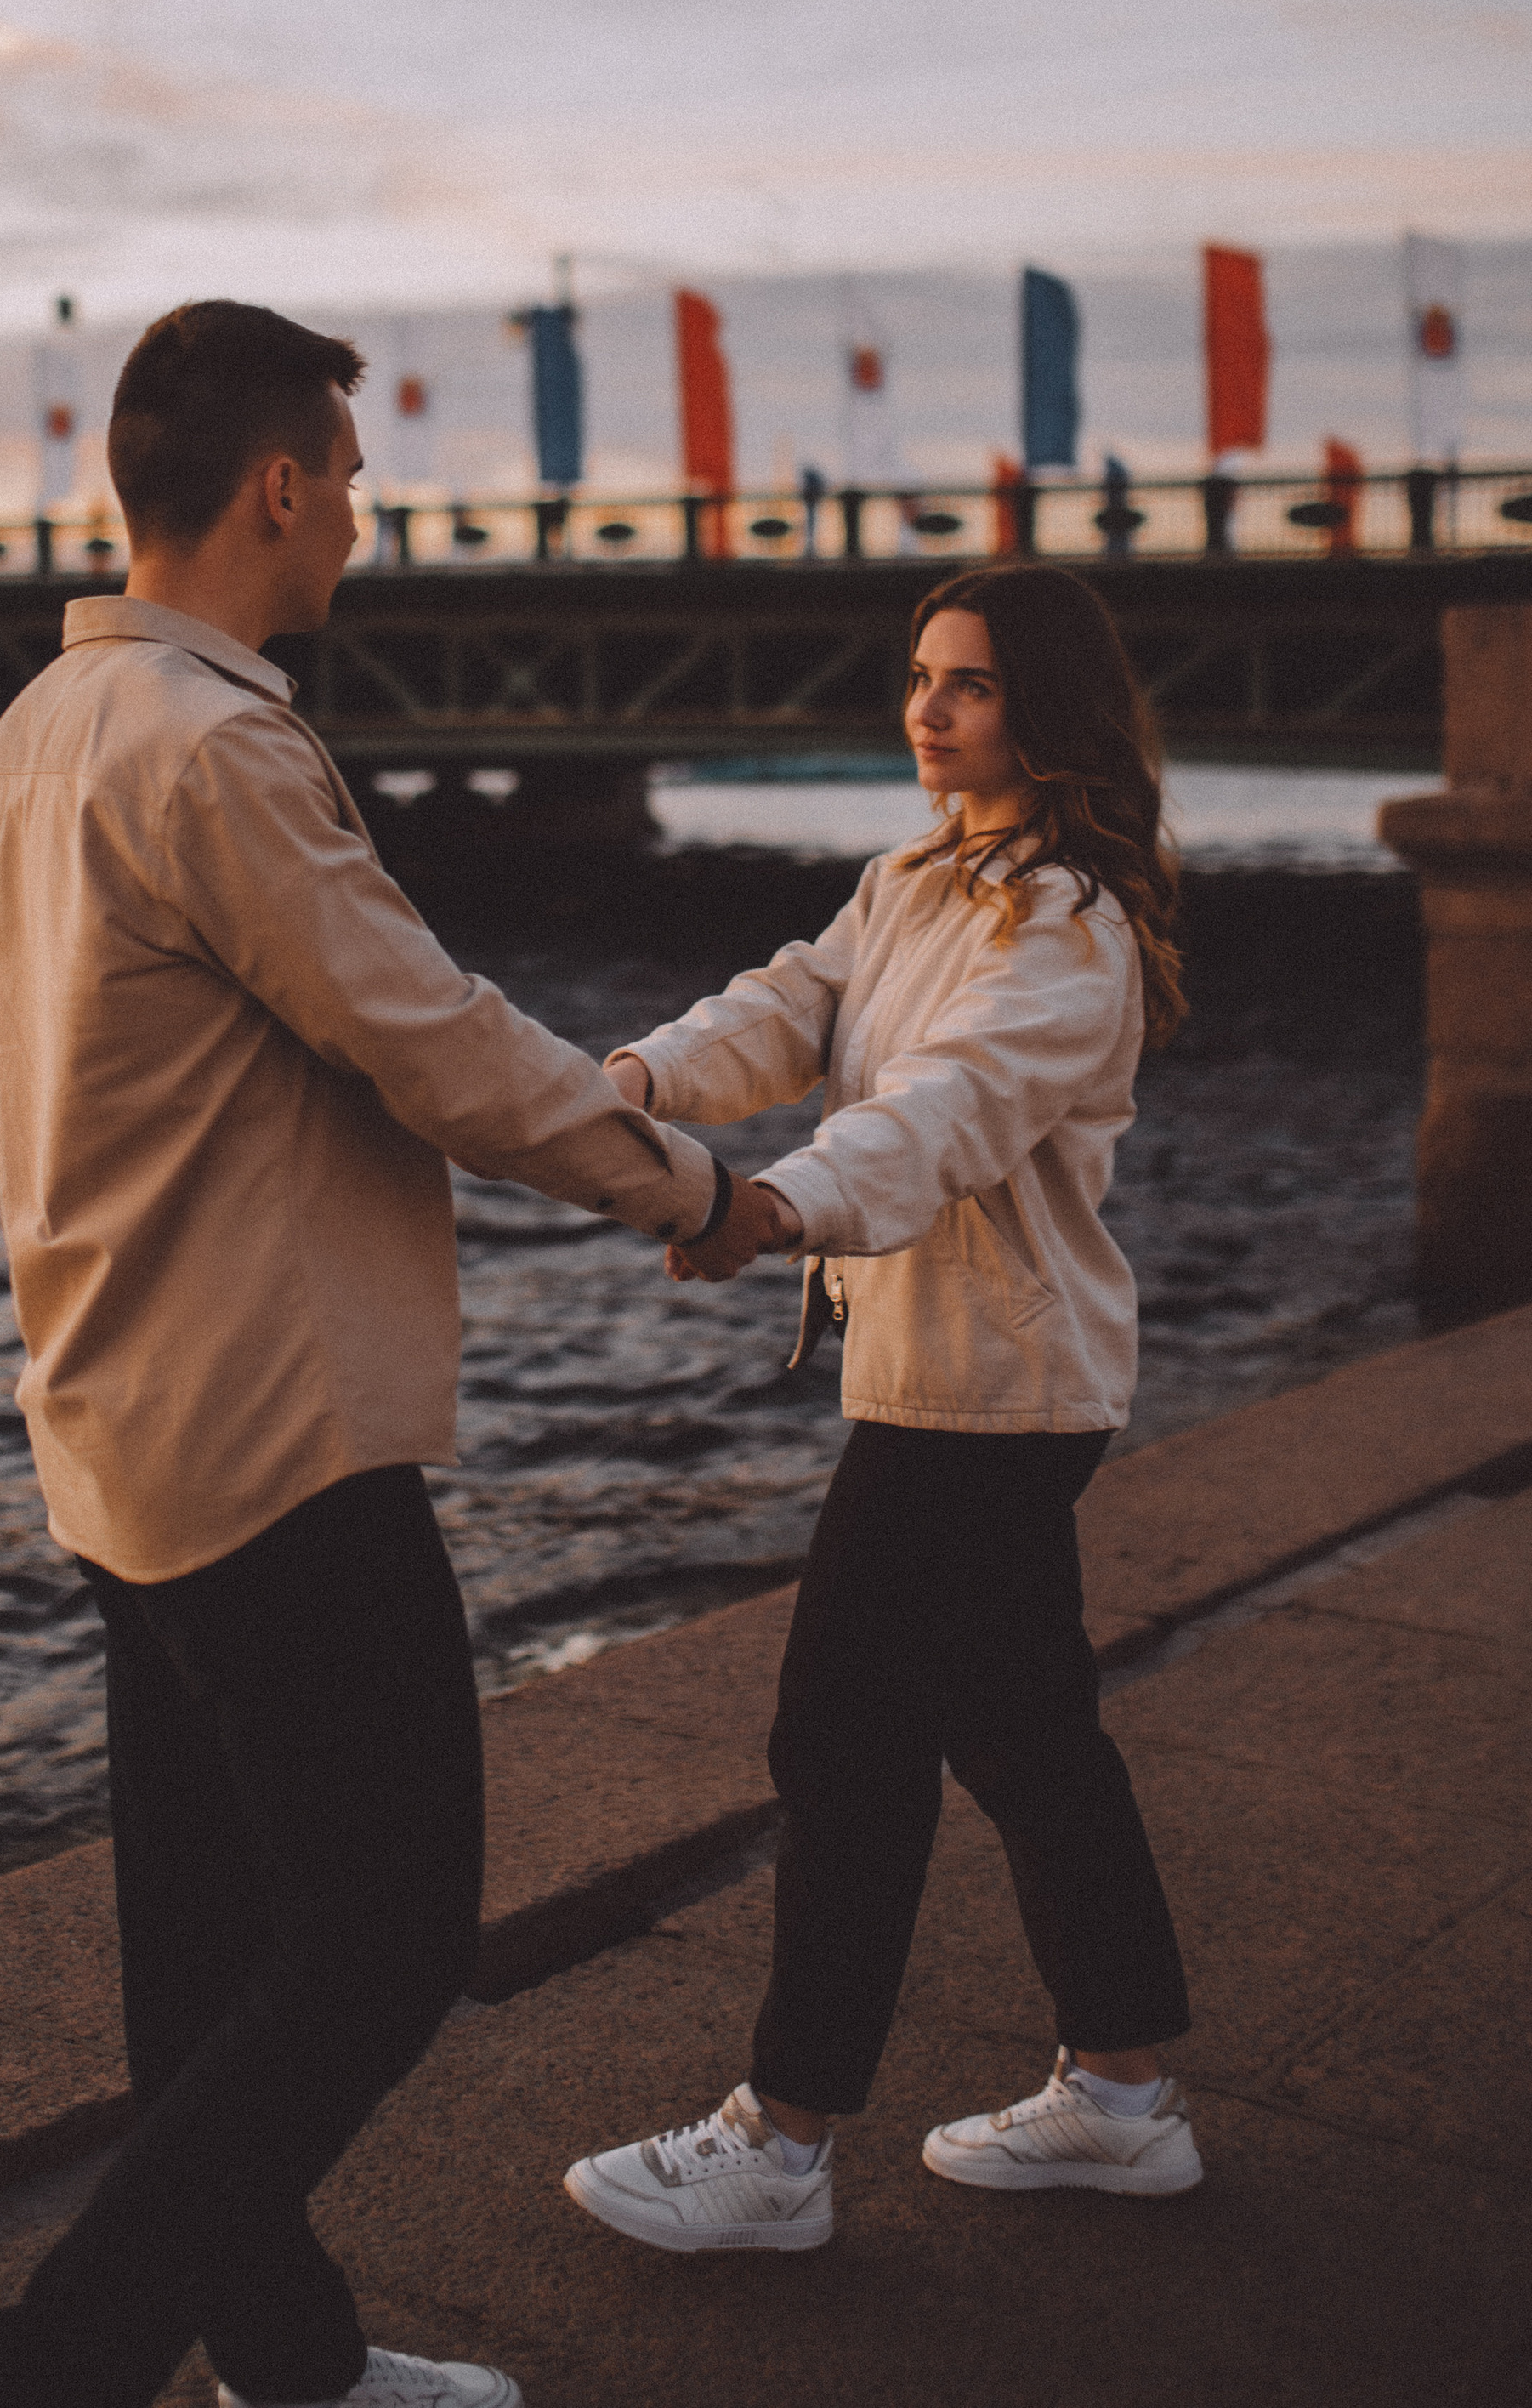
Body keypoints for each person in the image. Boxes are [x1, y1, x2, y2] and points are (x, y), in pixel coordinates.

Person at [0, 300, 726, 2408]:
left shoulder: (32, 736)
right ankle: (45, 2377)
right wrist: (691, 1186)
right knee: (384, 1931)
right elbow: (430, 1039)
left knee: (202, 1964)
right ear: (277, 486)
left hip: (112, 1423)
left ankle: (292, 2370)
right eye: (348, 480)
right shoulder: (214, 748)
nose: (358, 518)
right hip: (273, 1430)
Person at [563, 562, 1201, 2261]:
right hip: (956, 1379)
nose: (928, 709)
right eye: (921, 676)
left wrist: (775, 1205)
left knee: (840, 1739)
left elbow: (948, 1107)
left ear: (1043, 707)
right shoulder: (912, 877)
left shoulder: (1064, 925)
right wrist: (633, 1081)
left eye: (969, 683)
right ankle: (1124, 2092)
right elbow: (792, 1007)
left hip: (993, 1392)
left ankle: (780, 2142)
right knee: (1023, 1732)